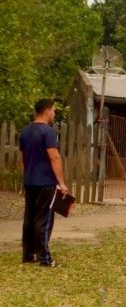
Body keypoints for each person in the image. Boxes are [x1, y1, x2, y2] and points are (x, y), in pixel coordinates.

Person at [19, 98, 69, 267]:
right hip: (45, 181)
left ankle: (27, 254)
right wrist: (61, 182)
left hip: (30, 180)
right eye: (54, 110)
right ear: (47, 111)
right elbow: (54, 157)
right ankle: (44, 259)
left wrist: (25, 175)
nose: (54, 113)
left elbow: (22, 158)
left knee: (29, 218)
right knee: (44, 219)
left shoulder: (25, 131)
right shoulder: (48, 132)